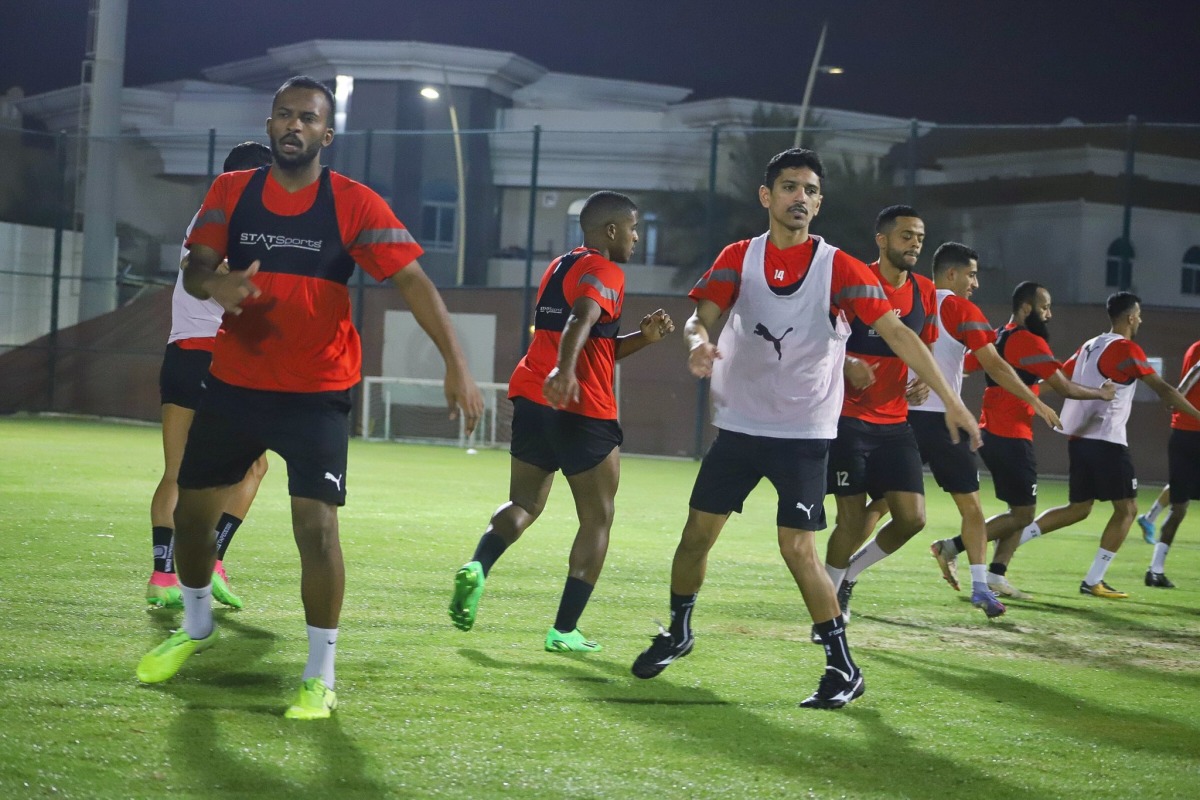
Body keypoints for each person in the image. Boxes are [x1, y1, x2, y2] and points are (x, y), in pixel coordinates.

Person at [135, 76, 484, 720]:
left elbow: (412, 280)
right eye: (284, 115)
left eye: (308, 118)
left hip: (316, 392)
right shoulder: (231, 192)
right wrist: (216, 283)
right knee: (190, 518)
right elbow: (194, 265)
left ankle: (320, 674)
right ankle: (198, 621)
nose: (294, 126)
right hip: (235, 384)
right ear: (271, 125)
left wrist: (457, 365)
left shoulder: (354, 203)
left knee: (316, 528)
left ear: (328, 133)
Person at [629, 149, 981, 710]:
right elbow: (701, 315)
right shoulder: (738, 257)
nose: (801, 197)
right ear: (767, 197)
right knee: (696, 535)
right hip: (742, 425)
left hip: (805, 431)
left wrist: (952, 400)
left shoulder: (841, 267)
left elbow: (896, 332)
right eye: (789, 186)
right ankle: (678, 632)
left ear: (819, 203)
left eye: (811, 190)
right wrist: (698, 344)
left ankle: (843, 668)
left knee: (798, 549)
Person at [447, 191, 674, 652]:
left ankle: (478, 566)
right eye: (633, 228)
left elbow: (596, 343)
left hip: (532, 398)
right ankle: (564, 630)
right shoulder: (607, 271)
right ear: (610, 231)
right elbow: (581, 320)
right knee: (598, 518)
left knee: (524, 504)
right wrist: (566, 370)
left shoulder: (560, 265)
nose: (636, 236)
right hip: (580, 407)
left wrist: (643, 339)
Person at [845, 243, 1062, 618]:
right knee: (971, 506)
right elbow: (994, 364)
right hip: (943, 421)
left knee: (879, 506)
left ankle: (841, 573)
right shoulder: (960, 308)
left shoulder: (908, 299)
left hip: (902, 419)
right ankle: (980, 586)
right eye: (971, 274)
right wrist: (1038, 401)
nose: (975, 283)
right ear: (951, 274)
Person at [147, 142, 273, 611]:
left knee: (179, 473)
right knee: (252, 467)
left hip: (182, 355)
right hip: (220, 361)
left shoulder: (206, 220)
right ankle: (212, 560)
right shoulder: (231, 223)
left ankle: (163, 576)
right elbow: (214, 278)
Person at [929, 281, 1115, 598]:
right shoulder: (1028, 341)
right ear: (1027, 309)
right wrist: (1102, 393)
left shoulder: (999, 336)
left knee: (1021, 508)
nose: (1049, 314)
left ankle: (997, 575)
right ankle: (952, 547)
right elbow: (1065, 387)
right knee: (1023, 514)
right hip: (1009, 435)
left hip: (994, 431)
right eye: (1044, 308)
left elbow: (967, 366)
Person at [1007, 293, 1200, 597]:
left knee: (1079, 509)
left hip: (1080, 439)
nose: (1141, 320)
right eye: (1139, 315)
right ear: (1130, 317)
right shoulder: (1126, 349)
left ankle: (1011, 540)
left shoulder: (1090, 345)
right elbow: (1164, 390)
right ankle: (1093, 580)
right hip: (1106, 441)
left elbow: (1056, 379)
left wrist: (1022, 397)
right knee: (1127, 510)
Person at [816, 205, 940, 625]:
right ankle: (828, 609)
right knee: (850, 521)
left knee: (912, 519)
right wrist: (847, 362)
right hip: (847, 419)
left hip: (894, 422)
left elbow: (923, 344)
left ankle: (849, 575)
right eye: (906, 236)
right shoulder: (854, 281)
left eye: (920, 237)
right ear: (882, 240)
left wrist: (924, 379)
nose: (915, 244)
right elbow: (817, 338)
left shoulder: (925, 291)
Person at [1143, 339, 1200, 587]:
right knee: (1179, 507)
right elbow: (1193, 374)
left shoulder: (1193, 347)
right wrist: (1176, 395)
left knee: (1179, 507)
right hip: (1194, 434)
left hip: (1183, 433)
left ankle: (1155, 571)